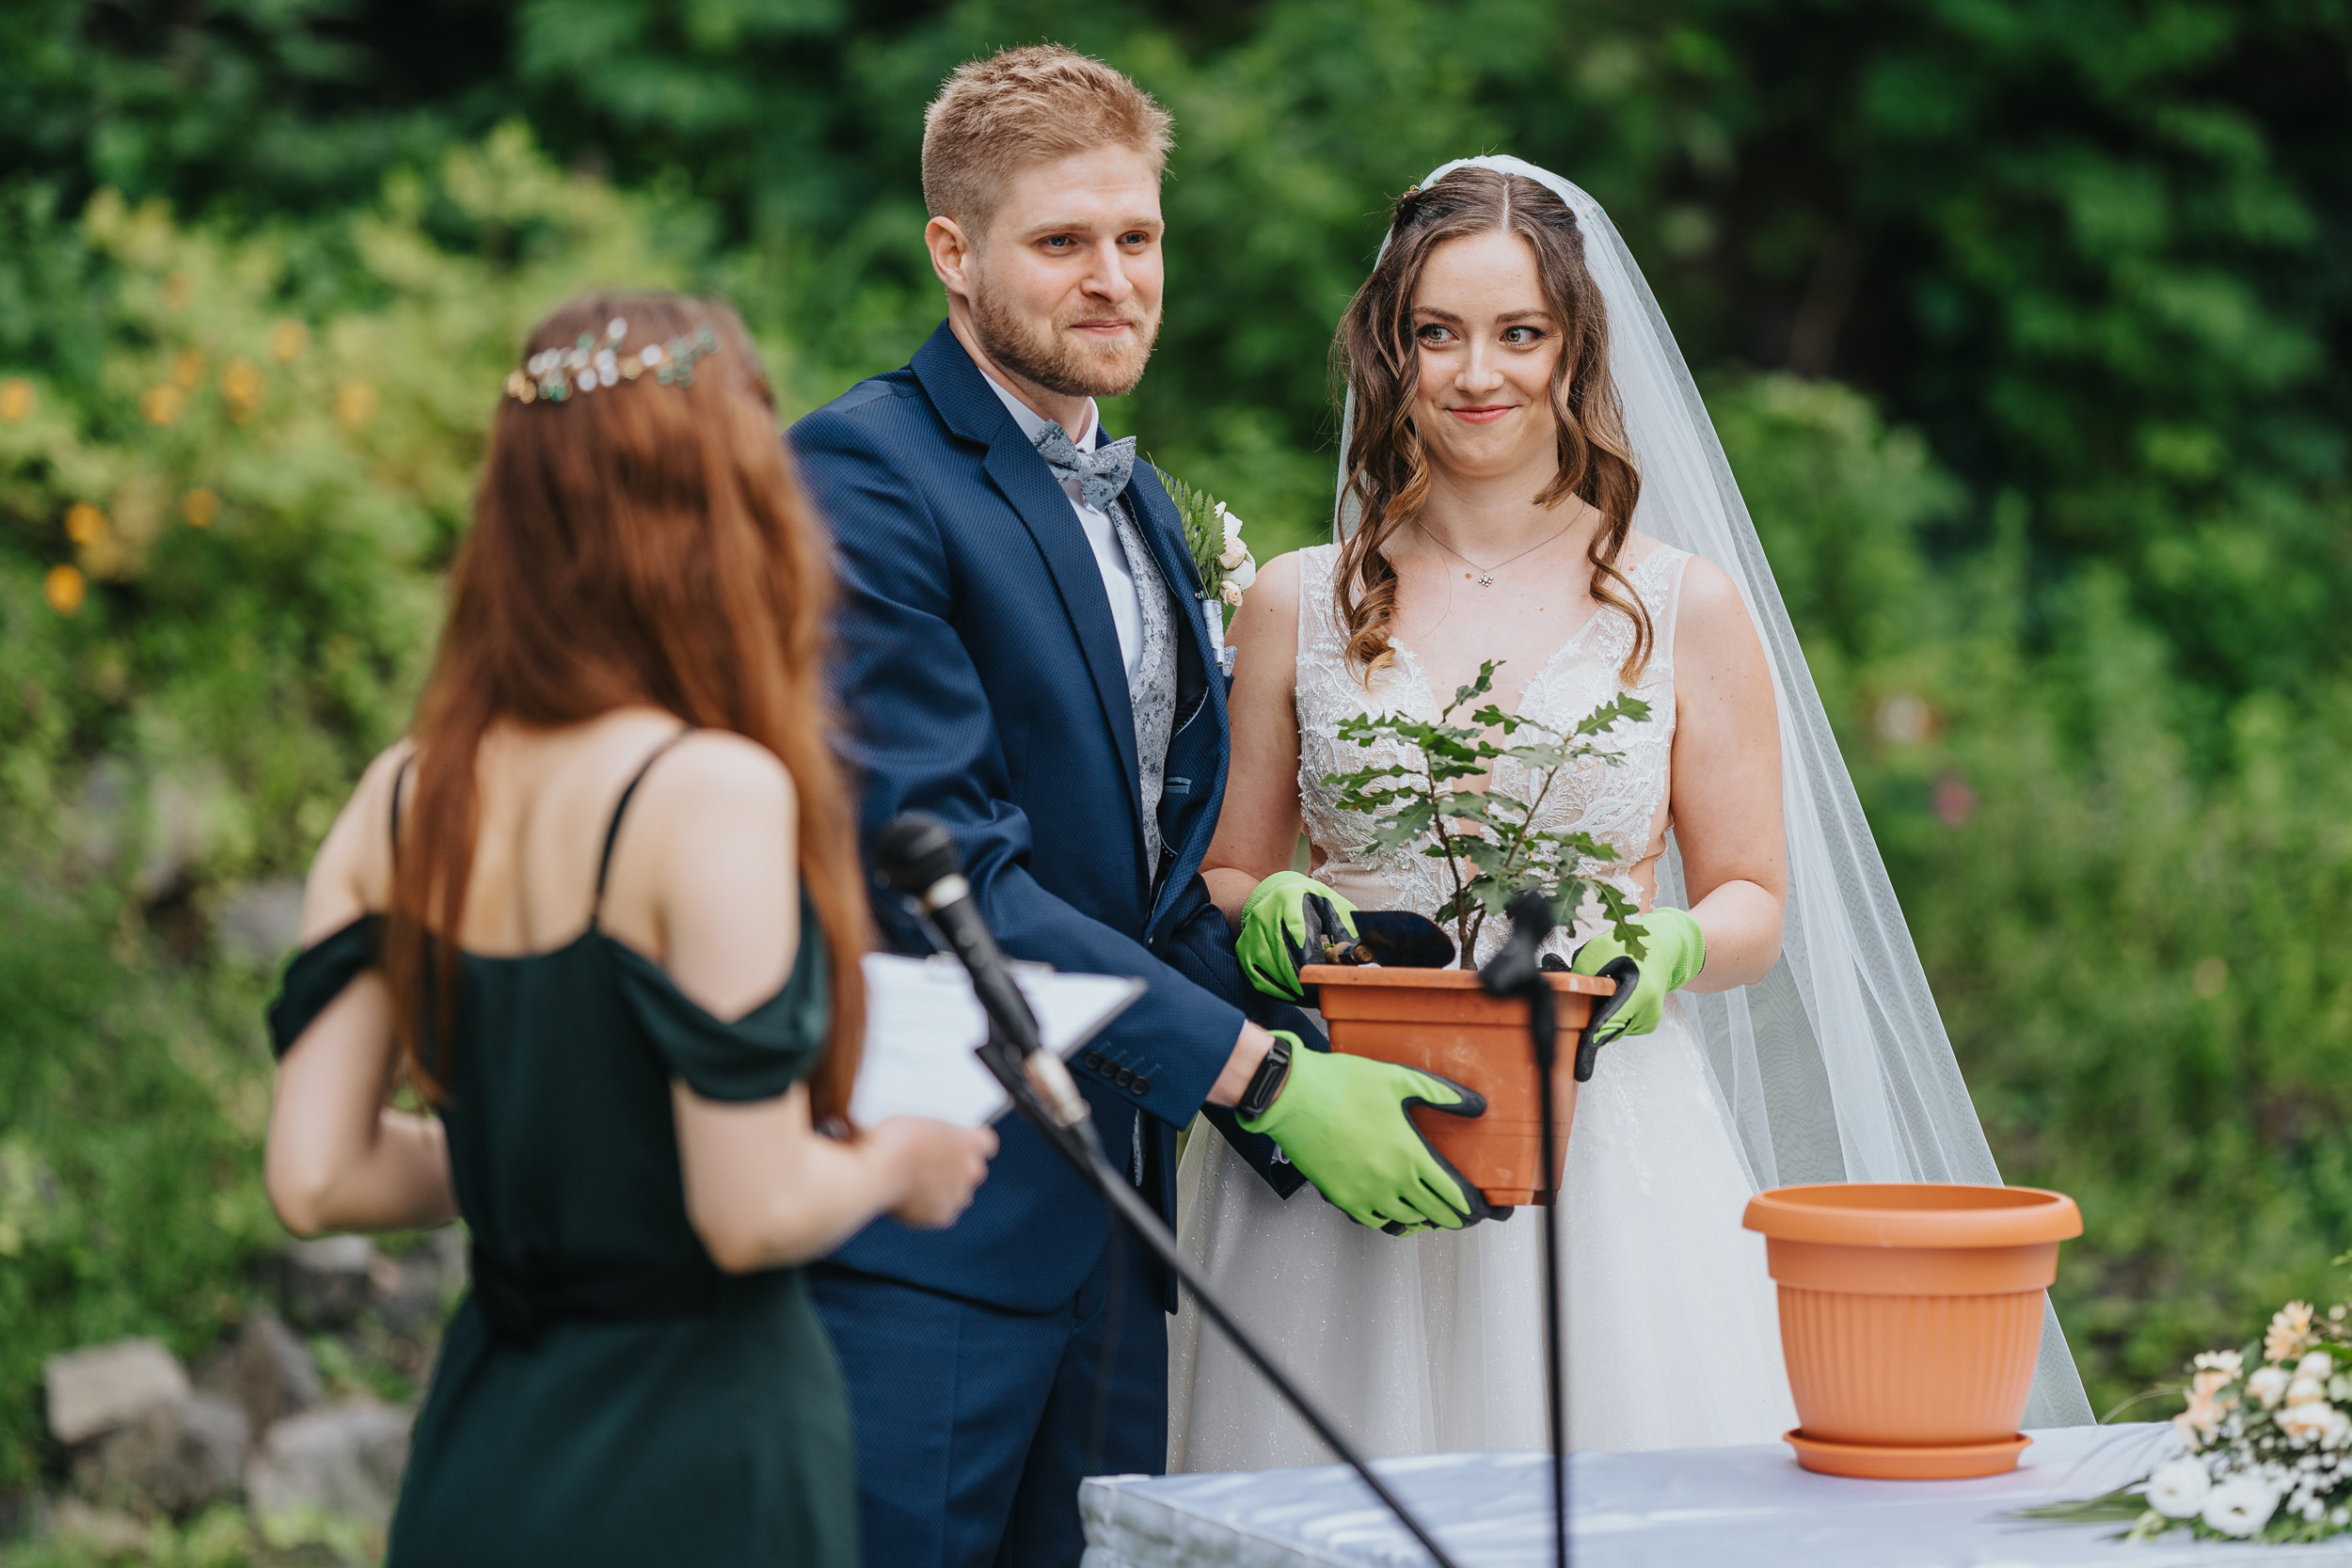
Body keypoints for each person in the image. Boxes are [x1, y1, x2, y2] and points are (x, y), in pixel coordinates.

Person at [1170, 158, 2095, 1466]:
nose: (1476, 372)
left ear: (1577, 349)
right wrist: (1264, 903)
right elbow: (1223, 871)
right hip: (1349, 1122)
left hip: (1600, 1138)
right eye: (1436, 332)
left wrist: (1670, 944)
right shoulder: (1299, 599)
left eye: (1520, 333)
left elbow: (1753, 900)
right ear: (1391, 350)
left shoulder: (1678, 606)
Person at [787, 44, 1490, 1568]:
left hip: (1120, 1241)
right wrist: (1267, 1083)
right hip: (927, 1243)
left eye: (1138, 236)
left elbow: (1137, 886)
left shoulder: (1143, 504)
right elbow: (948, 880)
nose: (1114, 280)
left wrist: (1296, 972)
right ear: (953, 253)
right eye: (1063, 241)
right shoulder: (860, 477)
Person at [262, 292, 996, 1566]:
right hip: (698, 1457)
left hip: (487, 1454)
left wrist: (547, 1161)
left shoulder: (403, 794)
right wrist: (899, 1164)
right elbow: (748, 1211)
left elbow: (317, 1177)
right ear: (721, 510)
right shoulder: (710, 792)